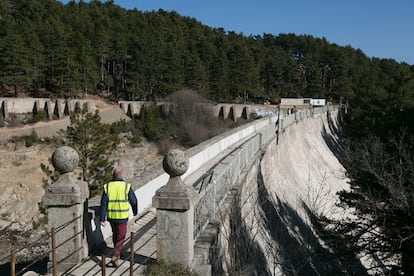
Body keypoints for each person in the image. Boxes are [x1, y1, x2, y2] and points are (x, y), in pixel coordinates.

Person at [100, 168, 138, 267]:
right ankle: (116, 255)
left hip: (111, 216)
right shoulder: (126, 186)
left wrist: (102, 219)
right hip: (122, 216)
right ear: (122, 176)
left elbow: (103, 204)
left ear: (113, 176)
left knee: (115, 234)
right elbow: (134, 201)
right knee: (121, 236)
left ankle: (117, 251)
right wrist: (135, 212)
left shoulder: (107, 187)